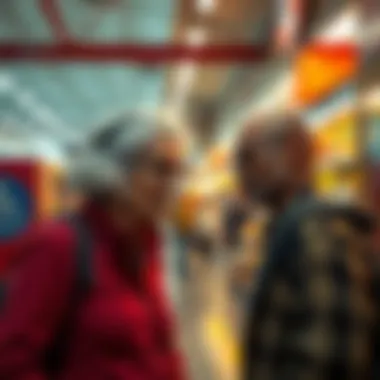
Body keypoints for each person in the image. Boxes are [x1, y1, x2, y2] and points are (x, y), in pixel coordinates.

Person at [0, 111, 187, 380]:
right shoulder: (58, 245)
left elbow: (161, 350)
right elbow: (12, 363)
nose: (173, 186)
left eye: (177, 172)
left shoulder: (144, 249)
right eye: (161, 169)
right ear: (114, 168)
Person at [235, 113, 379, 380]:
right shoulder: (290, 228)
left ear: (292, 152)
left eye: (247, 157)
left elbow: (329, 360)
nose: (240, 172)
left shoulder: (320, 234)